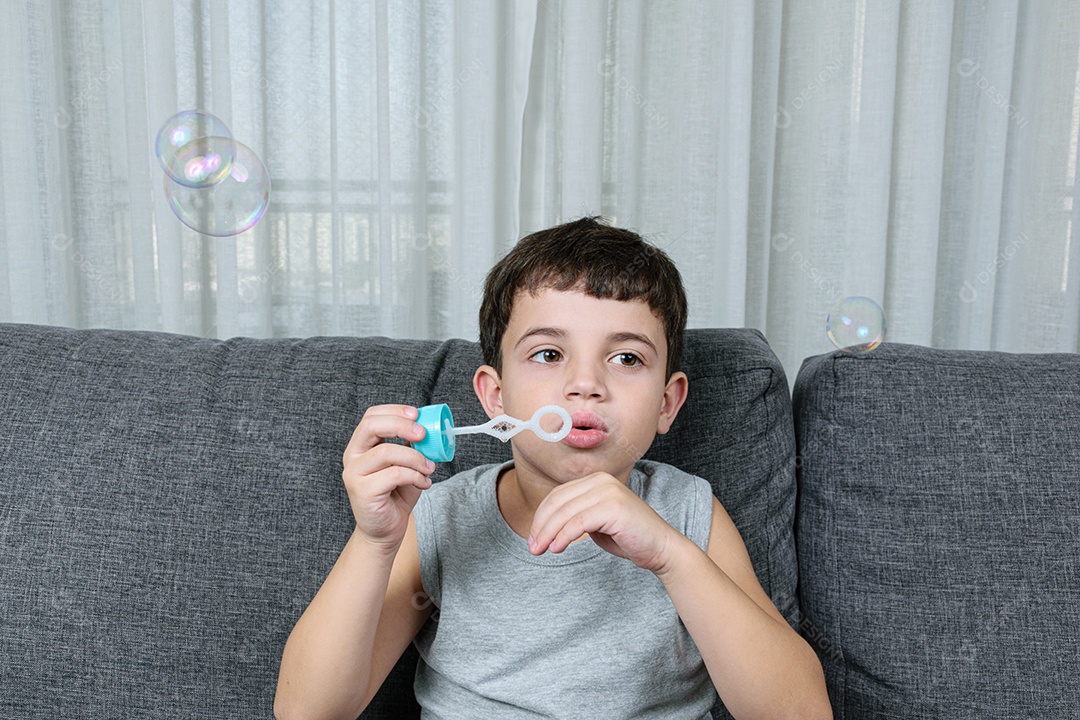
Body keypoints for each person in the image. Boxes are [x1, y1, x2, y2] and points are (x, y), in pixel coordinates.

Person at [274, 217, 832, 719]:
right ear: (495, 397)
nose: (586, 383)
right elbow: (309, 711)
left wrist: (668, 557)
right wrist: (373, 543)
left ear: (667, 403)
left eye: (626, 358)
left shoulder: (686, 513)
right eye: (548, 354)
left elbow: (800, 713)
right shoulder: (441, 516)